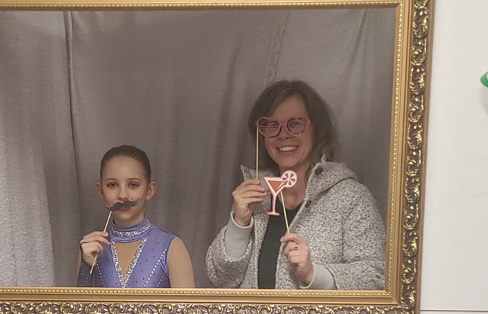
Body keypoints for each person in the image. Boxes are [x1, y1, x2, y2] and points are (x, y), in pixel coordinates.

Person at [205, 81, 385, 291]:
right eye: (272, 126)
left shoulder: (352, 198)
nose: (283, 135)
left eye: (296, 124)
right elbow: (220, 279)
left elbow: (378, 278)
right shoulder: (254, 195)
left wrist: (313, 274)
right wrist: (239, 223)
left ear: (317, 130)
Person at [77, 145, 194, 289]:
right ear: (100, 190)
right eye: (112, 185)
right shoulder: (91, 248)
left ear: (149, 190)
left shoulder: (171, 247)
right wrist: (86, 268)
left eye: (133, 185)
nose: (123, 195)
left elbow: (187, 304)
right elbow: (77, 303)